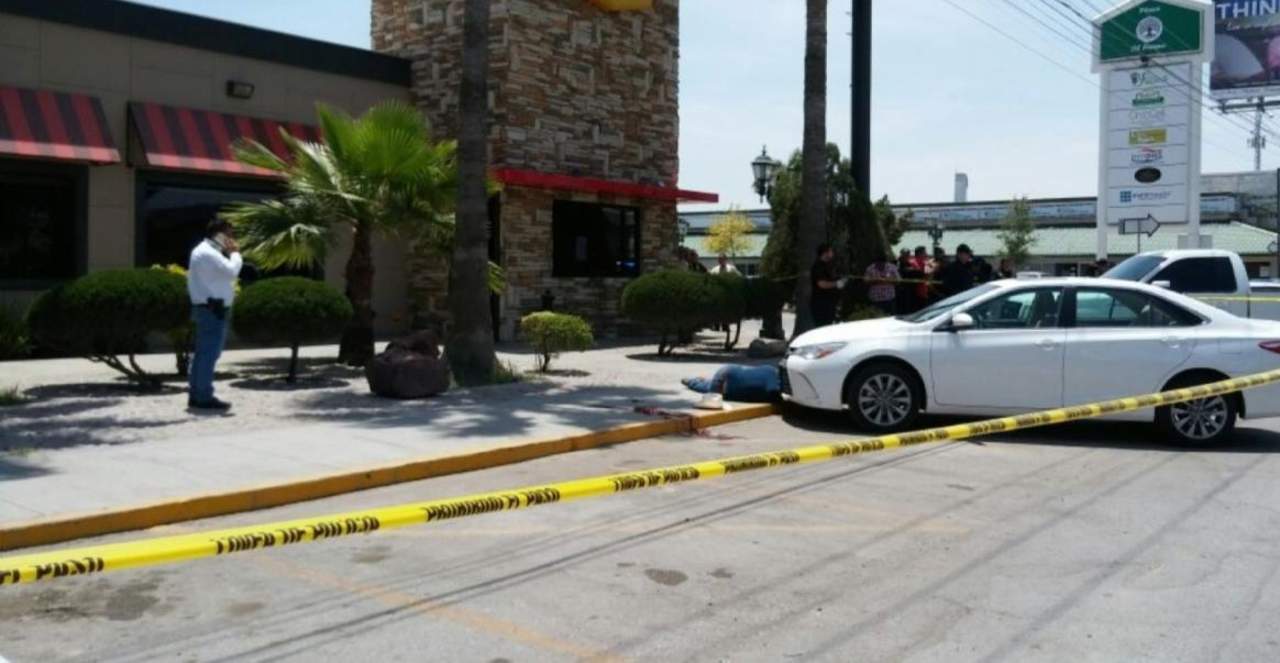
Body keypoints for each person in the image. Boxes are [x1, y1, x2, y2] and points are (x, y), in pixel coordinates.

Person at [187, 219, 243, 411]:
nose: (231, 238)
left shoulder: (204, 251)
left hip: (209, 308)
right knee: (209, 354)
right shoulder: (208, 253)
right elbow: (231, 271)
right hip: (212, 310)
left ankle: (197, 393)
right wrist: (235, 254)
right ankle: (203, 396)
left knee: (203, 353)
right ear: (218, 234)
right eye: (229, 234)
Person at [682, 364, 781, 404]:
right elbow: (774, 394)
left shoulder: (770, 370)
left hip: (728, 372)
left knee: (707, 387)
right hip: (726, 380)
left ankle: (693, 381)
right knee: (707, 390)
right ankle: (693, 382)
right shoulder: (773, 379)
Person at [810, 243, 842, 327]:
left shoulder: (827, 266)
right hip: (821, 304)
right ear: (825, 253)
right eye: (831, 251)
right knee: (822, 327)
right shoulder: (818, 266)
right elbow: (821, 284)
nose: (832, 253)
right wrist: (836, 284)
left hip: (828, 303)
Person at [864, 251, 899, 315]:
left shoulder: (892, 267)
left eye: (881, 263)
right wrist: (875, 281)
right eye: (877, 263)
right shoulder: (870, 268)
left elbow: (898, 281)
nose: (879, 265)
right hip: (875, 299)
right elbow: (866, 281)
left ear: (885, 262)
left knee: (890, 317)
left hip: (889, 298)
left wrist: (889, 280)